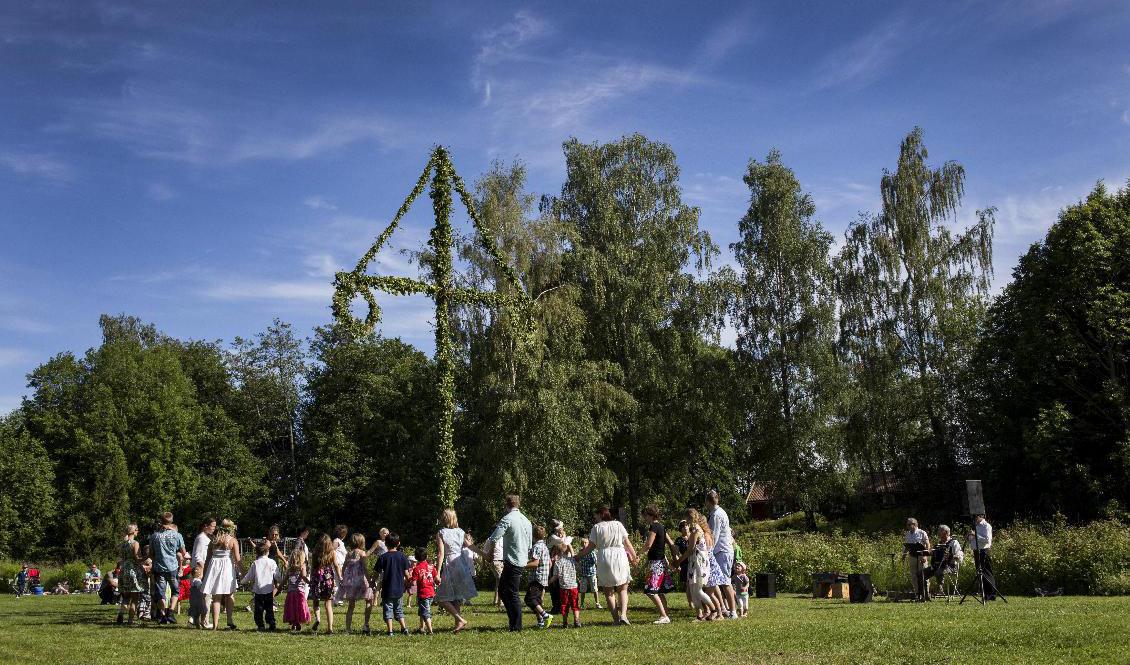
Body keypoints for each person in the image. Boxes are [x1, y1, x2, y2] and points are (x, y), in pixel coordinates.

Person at [576, 506, 639, 626]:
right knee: (623, 588)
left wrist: (579, 555)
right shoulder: (618, 524)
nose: (595, 518)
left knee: (608, 590)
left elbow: (591, 547)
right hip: (619, 556)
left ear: (601, 514)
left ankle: (616, 620)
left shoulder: (596, 527)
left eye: (596, 515)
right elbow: (627, 543)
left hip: (604, 557)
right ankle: (623, 615)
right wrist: (635, 557)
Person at [483, 494, 533, 632]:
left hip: (512, 560)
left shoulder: (507, 519)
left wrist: (489, 553)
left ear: (506, 505)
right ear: (518, 504)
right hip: (521, 559)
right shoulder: (527, 521)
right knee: (503, 591)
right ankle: (513, 622)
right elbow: (530, 544)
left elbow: (494, 537)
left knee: (512, 593)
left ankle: (516, 626)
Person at [434, 508, 477, 633]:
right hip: (461, 564)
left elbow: (441, 554)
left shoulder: (441, 532)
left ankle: (460, 619)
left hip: (450, 564)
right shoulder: (460, 531)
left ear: (445, 518)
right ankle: (458, 624)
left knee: (441, 598)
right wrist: (484, 554)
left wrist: (437, 572)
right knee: (456, 596)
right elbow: (471, 546)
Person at [678, 508, 722, 621]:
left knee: (697, 590)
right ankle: (699, 615)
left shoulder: (695, 530)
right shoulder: (696, 529)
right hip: (694, 562)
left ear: (689, 518)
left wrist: (678, 561)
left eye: (686, 518)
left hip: (699, 563)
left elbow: (690, 550)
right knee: (693, 591)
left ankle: (713, 610)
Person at [640, 505, 678, 624]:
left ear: (650, 515)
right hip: (660, 562)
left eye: (645, 515)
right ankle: (665, 614)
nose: (644, 518)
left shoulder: (654, 527)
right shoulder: (661, 527)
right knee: (659, 591)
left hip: (656, 563)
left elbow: (648, 544)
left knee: (651, 590)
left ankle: (663, 615)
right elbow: (671, 543)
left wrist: (637, 554)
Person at [201, 518, 241, 630]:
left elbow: (207, 560)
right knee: (230, 594)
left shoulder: (213, 541)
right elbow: (237, 559)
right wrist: (244, 572)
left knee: (216, 597)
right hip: (227, 568)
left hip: (214, 568)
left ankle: (215, 625)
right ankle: (229, 620)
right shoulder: (233, 540)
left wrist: (205, 575)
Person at [148, 512, 187, 624]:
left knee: (161, 593)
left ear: (161, 521)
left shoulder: (154, 536)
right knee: (175, 591)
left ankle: (163, 615)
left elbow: (151, 554)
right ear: (171, 520)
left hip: (159, 567)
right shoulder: (177, 535)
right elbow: (183, 552)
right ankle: (170, 613)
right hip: (173, 567)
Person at [705, 490, 737, 618]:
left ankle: (733, 612)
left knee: (725, 581)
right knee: (717, 581)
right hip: (721, 551)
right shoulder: (717, 512)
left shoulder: (716, 515)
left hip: (722, 551)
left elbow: (714, 535)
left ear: (708, 502)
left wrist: (708, 551)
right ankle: (722, 609)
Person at [373, 532, 411, 636]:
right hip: (399, 588)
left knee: (388, 609)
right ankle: (404, 628)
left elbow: (376, 572)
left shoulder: (383, 557)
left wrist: (372, 582)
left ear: (385, 544)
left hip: (387, 589)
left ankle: (390, 631)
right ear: (398, 543)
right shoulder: (402, 556)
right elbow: (407, 573)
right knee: (399, 609)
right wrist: (410, 581)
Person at [339, 533, 375, 635]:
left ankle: (348, 628)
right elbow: (365, 568)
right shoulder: (362, 553)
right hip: (361, 581)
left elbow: (343, 568)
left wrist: (343, 578)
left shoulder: (348, 554)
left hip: (351, 582)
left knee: (351, 605)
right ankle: (366, 625)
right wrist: (370, 580)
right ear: (361, 542)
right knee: (369, 600)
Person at [241, 540, 280, 631]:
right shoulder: (272, 562)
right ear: (268, 551)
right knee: (269, 609)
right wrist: (280, 581)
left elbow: (249, 576)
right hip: (269, 589)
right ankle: (271, 623)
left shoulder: (255, 563)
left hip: (258, 591)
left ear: (257, 552)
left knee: (258, 610)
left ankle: (260, 625)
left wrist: (242, 581)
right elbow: (277, 575)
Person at [525, 524, 554, 629]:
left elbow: (535, 563)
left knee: (530, 599)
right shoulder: (545, 546)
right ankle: (540, 622)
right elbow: (550, 563)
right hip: (543, 578)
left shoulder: (537, 547)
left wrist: (522, 565)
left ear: (533, 536)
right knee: (537, 600)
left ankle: (546, 616)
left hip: (536, 578)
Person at [190, 517, 216, 629]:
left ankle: (197, 619)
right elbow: (198, 557)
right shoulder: (201, 538)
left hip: (202, 570)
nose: (214, 528)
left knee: (202, 596)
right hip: (201, 572)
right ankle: (204, 621)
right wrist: (202, 572)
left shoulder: (204, 538)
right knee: (206, 596)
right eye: (213, 526)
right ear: (205, 526)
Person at [116, 524, 144, 625]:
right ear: (133, 531)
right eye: (137, 529)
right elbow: (137, 558)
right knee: (135, 597)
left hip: (124, 570)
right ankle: (130, 620)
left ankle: (121, 613)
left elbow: (120, 558)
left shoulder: (123, 544)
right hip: (133, 570)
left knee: (126, 596)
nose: (138, 531)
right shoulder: (135, 543)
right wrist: (146, 558)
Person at [549, 543, 581, 628]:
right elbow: (578, 568)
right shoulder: (572, 560)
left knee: (564, 605)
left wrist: (548, 582)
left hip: (564, 588)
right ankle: (576, 621)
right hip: (573, 586)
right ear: (567, 551)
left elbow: (555, 576)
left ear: (557, 552)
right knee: (575, 604)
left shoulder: (558, 562)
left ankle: (565, 623)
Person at [409, 546, 439, 635]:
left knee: (426, 613)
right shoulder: (431, 567)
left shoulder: (416, 568)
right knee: (422, 611)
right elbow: (436, 579)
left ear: (416, 557)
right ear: (426, 556)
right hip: (431, 593)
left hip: (423, 594)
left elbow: (413, 583)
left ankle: (430, 631)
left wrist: (409, 579)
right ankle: (421, 628)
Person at [546, 519, 572, 616]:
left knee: (560, 584)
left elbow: (565, 545)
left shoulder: (557, 536)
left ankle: (561, 606)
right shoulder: (553, 537)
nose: (562, 529)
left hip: (558, 562)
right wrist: (565, 536)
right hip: (552, 562)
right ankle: (557, 607)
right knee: (554, 585)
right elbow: (564, 542)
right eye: (561, 528)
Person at [310, 534, 336, 633]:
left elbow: (313, 567)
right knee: (328, 604)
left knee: (316, 601)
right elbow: (336, 565)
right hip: (328, 579)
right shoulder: (332, 552)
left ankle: (318, 619)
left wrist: (311, 579)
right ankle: (330, 628)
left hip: (317, 578)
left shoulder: (315, 553)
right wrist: (340, 576)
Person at [968, 515, 997, 600]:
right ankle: (985, 593)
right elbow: (973, 539)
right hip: (976, 551)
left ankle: (991, 594)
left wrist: (975, 535)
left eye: (975, 517)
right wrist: (969, 537)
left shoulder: (986, 526)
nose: (974, 519)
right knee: (980, 572)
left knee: (986, 572)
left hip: (984, 551)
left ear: (980, 516)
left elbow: (987, 540)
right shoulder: (976, 526)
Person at [902, 517, 931, 601]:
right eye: (907, 525)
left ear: (914, 524)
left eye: (909, 524)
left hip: (921, 556)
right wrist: (903, 555)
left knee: (924, 575)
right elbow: (906, 546)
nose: (907, 526)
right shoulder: (907, 534)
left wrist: (925, 555)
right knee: (914, 576)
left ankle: (926, 594)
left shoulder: (922, 532)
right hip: (912, 556)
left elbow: (927, 544)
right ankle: (918, 593)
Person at [283, 546, 311, 632]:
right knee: (299, 608)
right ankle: (298, 622)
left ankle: (294, 623)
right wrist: (310, 582)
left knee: (292, 608)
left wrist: (278, 589)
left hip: (291, 592)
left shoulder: (290, 568)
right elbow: (303, 576)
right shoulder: (303, 566)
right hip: (300, 591)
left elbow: (284, 580)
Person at [929, 525, 963, 596]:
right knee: (922, 574)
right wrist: (932, 553)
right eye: (938, 531)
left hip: (951, 566)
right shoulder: (939, 544)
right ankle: (924, 595)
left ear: (946, 532)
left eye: (940, 531)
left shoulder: (954, 542)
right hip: (938, 566)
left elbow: (960, 555)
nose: (938, 533)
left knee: (938, 571)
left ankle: (940, 589)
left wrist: (952, 556)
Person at [575, 538, 600, 609]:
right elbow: (577, 560)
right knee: (582, 590)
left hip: (592, 573)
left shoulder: (591, 552)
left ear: (588, 543)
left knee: (595, 589)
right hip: (583, 574)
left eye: (585, 542)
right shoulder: (580, 552)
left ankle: (597, 604)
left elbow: (596, 562)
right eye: (582, 543)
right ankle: (582, 604)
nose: (584, 544)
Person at [489, 534, 505, 609]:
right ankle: (500, 602)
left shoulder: (503, 538)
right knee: (501, 580)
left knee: (499, 581)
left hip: (503, 561)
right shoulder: (490, 539)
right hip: (495, 561)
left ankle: (496, 601)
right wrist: (484, 563)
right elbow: (485, 551)